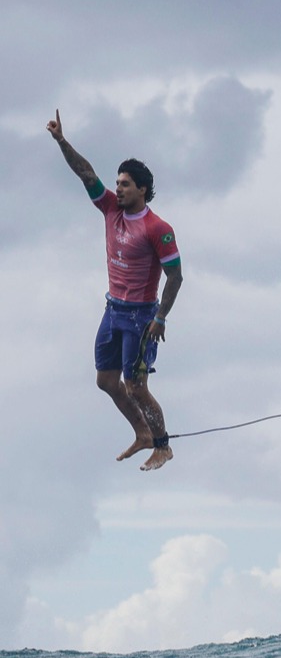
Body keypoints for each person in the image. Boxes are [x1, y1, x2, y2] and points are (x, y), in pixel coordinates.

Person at [47, 110, 183, 471]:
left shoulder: (158, 228)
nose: (117, 188)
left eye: (124, 184)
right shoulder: (110, 209)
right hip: (112, 310)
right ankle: (142, 434)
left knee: (136, 385)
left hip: (141, 316)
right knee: (106, 380)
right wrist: (62, 141)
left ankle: (163, 445)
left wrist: (161, 317)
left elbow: (176, 276)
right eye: (117, 183)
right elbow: (85, 173)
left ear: (141, 189)